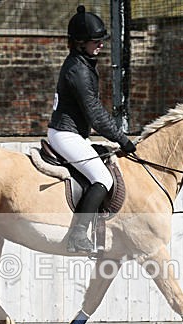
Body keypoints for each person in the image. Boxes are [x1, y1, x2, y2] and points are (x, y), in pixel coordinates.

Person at [48, 5, 136, 253]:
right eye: (94, 41)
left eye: (100, 41)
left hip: (72, 133)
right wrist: (123, 140)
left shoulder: (82, 64)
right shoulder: (78, 70)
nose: (100, 45)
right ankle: (77, 235)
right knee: (103, 178)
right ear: (79, 43)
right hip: (66, 134)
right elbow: (96, 115)